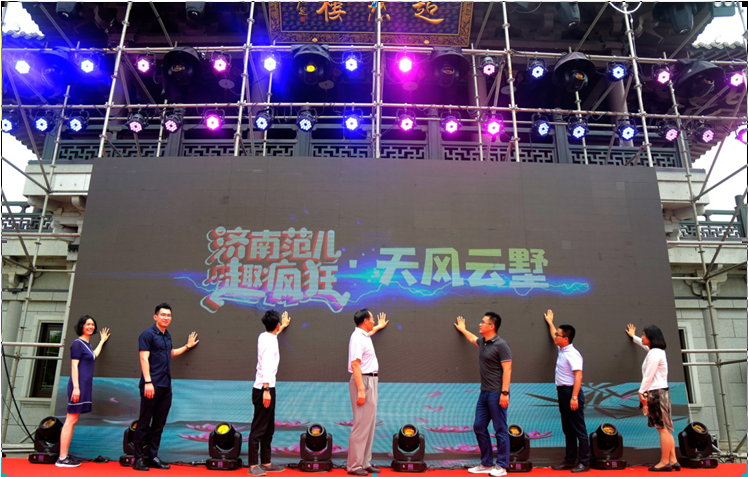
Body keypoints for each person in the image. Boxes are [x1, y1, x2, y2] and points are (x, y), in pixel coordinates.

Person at [133, 303, 199, 471]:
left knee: (159, 424)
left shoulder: (167, 335)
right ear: (155, 317)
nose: (166, 318)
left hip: (165, 386)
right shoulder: (147, 334)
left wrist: (187, 346)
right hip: (151, 385)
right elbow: (143, 358)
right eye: (163, 315)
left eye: (169, 315)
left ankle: (152, 457)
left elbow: (170, 353)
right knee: (144, 423)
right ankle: (138, 459)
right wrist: (148, 382)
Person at [454, 312, 512, 477]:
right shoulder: (483, 342)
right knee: (479, 426)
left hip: (497, 393)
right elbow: (473, 339)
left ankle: (502, 466)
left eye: (483, 322)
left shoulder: (502, 345)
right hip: (484, 393)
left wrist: (505, 392)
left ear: (491, 326)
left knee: (500, 429)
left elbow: (507, 369)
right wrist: (463, 329)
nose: (479, 324)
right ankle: (486, 463)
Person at [56, 316, 110, 467]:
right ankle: (62, 458)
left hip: (84, 387)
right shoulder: (77, 344)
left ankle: (64, 456)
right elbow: (74, 366)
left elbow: (94, 355)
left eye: (92, 324)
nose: (90, 326)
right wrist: (76, 387)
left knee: (73, 420)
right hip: (78, 387)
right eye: (87, 324)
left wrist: (102, 341)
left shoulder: (86, 345)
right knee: (70, 420)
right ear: (81, 326)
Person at [625, 324, 679, 472]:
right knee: (665, 428)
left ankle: (664, 462)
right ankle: (673, 460)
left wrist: (641, 391)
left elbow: (649, 374)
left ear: (651, 337)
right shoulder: (657, 351)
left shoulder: (654, 353)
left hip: (656, 394)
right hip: (661, 393)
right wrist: (634, 337)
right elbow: (646, 347)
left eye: (644, 335)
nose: (642, 337)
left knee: (662, 429)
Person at [544, 310, 590, 473]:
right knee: (568, 429)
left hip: (571, 393)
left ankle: (584, 462)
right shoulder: (562, 349)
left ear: (565, 339)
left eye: (558, 335)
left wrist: (574, 397)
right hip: (563, 393)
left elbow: (579, 375)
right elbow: (553, 334)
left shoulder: (573, 354)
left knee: (579, 429)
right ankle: (569, 460)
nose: (555, 337)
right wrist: (550, 322)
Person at [247, 310, 292, 476]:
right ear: (276, 325)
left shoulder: (265, 336)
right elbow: (266, 364)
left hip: (267, 387)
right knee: (259, 428)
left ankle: (266, 462)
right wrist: (266, 389)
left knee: (268, 428)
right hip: (263, 389)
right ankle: (253, 465)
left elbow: (273, 334)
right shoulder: (269, 341)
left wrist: (283, 326)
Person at [347, 308, 389, 476]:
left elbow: (370, 332)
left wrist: (379, 327)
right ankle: (354, 465)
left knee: (369, 424)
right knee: (361, 424)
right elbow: (355, 364)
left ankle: (364, 462)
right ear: (365, 321)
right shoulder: (357, 337)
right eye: (372, 319)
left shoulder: (364, 335)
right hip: (363, 381)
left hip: (371, 380)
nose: (373, 321)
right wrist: (361, 390)